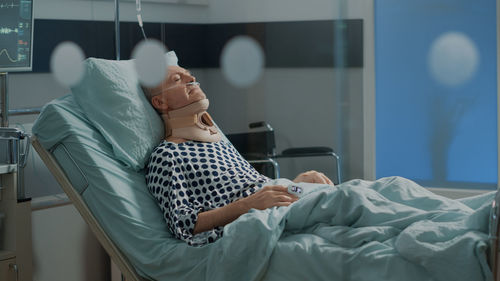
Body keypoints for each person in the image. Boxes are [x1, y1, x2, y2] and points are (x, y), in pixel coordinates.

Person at [144, 65, 334, 246]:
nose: (192, 79)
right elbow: (183, 224)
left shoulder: (219, 142)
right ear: (160, 102)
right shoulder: (166, 155)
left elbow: (257, 189)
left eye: (189, 74)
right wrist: (247, 205)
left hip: (283, 200)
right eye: (177, 79)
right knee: (353, 199)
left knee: (351, 194)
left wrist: (295, 185)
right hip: (258, 217)